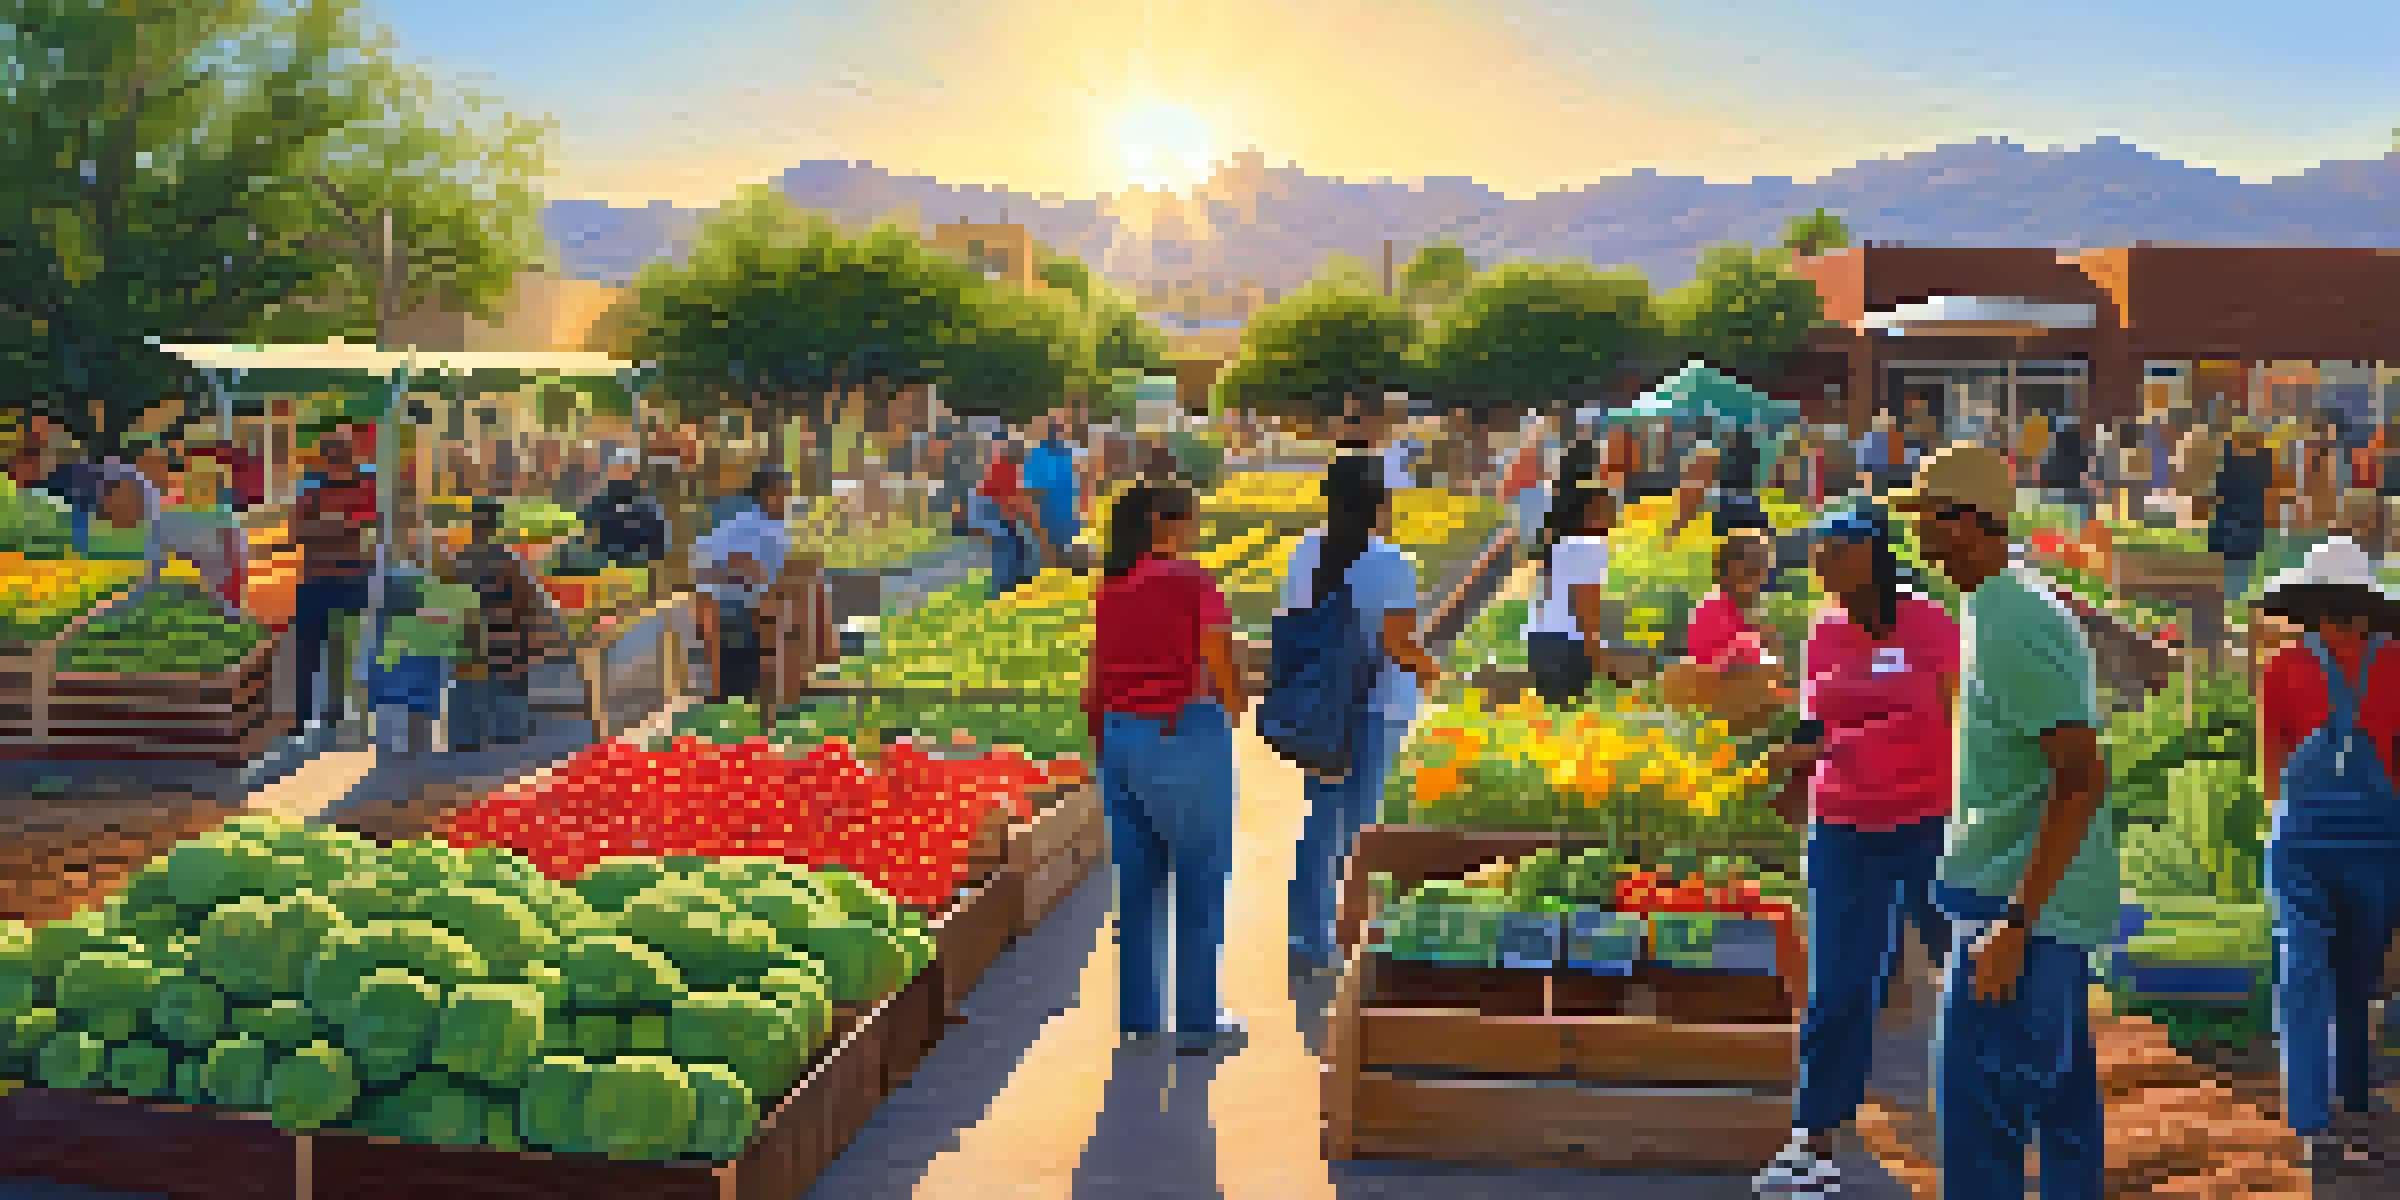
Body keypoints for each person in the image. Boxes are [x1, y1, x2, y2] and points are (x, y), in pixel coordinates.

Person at [1886, 444, 2114, 1200]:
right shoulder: (2001, 602)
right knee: (2061, 1114)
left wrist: (2016, 924)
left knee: (1984, 1125)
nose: (1919, 536)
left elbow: (2081, 775)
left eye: (1928, 520)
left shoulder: (2010, 618)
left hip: (2017, 909)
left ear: (1966, 523)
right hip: (2031, 903)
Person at [1751, 500, 1959, 1198]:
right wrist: (1793, 775)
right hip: (1842, 824)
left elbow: (1942, 719)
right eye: (1814, 548)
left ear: (1873, 552)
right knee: (1839, 987)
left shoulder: (1930, 624)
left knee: (1964, 968)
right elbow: (1816, 721)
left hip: (1928, 823)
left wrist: (1839, 742)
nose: (1819, 560)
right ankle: (1813, 1137)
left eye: (1834, 547)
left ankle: (1993, 1118)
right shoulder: (1824, 631)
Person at [2247, 538, 2400, 1175]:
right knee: (2330, 974)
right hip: (2342, 848)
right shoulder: (2297, 668)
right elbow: (2273, 770)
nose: (2345, 622)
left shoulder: (2297, 667)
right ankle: (2334, 1109)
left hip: (2341, 845)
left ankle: (2335, 1106)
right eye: (2340, 610)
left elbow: (2272, 772)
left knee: (2331, 976)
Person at [1085, 481, 1248, 1056]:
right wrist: (1233, 704)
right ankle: (1200, 1020)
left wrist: (1106, 742)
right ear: (1162, 522)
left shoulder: (1113, 587)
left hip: (1120, 737)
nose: (1194, 531)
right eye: (1190, 520)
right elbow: (1222, 656)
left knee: (1138, 884)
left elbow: (1096, 678)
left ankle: (1140, 1017)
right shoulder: (1189, 580)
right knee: (1201, 876)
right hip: (1182, 731)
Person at [1281, 454, 1444, 972]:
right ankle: (1362, 941)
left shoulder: (1306, 552)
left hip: (1322, 705)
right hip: (1378, 706)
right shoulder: (1391, 562)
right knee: (1369, 828)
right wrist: (1433, 670)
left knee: (1322, 819)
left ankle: (1308, 939)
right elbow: (1397, 643)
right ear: (1379, 503)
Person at [289, 430, 380, 738]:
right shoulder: (311, 484)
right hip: (319, 578)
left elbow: (369, 526)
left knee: (341, 649)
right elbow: (298, 531)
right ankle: (303, 718)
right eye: (331, 455)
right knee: (309, 650)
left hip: (351, 578)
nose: (335, 461)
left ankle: (332, 716)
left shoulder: (366, 484)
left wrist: (329, 524)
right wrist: (340, 525)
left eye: (340, 454)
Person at [1522, 444, 1625, 707]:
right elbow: (1586, 616)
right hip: (1565, 652)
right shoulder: (1590, 547)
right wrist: (1610, 668)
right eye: (1610, 509)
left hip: (1538, 647)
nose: (1617, 517)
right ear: (1591, 515)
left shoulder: (1562, 544)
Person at [447, 498, 543, 750]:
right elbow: (524, 598)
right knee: (505, 681)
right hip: (502, 630)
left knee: (468, 686)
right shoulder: (506, 559)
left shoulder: (459, 560)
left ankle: (466, 738)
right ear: (494, 525)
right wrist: (528, 631)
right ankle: (506, 732)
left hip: (469, 632)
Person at [693, 469, 792, 707]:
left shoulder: (771, 523)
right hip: (731, 602)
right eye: (784, 494)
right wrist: (767, 596)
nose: (788, 500)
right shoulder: (751, 524)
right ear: (767, 495)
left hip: (739, 600)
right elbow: (741, 564)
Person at [972, 432, 1046, 600]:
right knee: (1010, 549)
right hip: (999, 514)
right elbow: (1004, 498)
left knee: (1019, 547)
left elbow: (1016, 495)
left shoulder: (1008, 466)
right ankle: (1004, 589)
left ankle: (1017, 586)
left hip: (1003, 515)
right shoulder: (1002, 466)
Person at [2210, 420, 2275, 609]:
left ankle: (2230, 605)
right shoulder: (2259, 458)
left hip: (2237, 524)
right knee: (2235, 571)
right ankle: (2231, 604)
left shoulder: (2233, 457)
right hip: (2239, 524)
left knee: (2232, 571)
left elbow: (2219, 489)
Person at [581, 449, 671, 567]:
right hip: (606, 567)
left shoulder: (647, 502)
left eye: (628, 468)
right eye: (620, 467)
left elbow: (659, 542)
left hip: (639, 567)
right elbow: (589, 540)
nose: (624, 472)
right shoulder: (598, 503)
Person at [1022, 415, 1084, 568]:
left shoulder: (1062, 452)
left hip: (1059, 506)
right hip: (1053, 506)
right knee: (1054, 546)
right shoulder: (1044, 453)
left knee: (1057, 545)